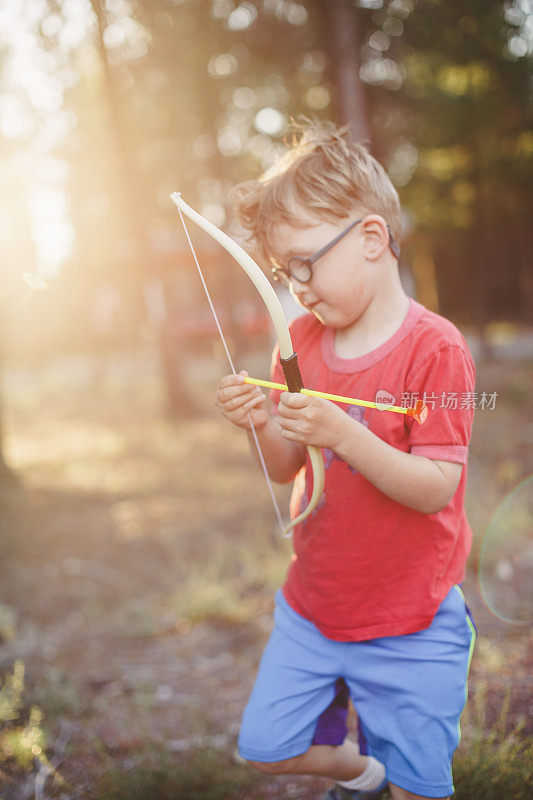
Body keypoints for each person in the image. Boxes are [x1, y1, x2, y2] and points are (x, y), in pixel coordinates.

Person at [215, 119, 477, 800]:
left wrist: (343, 432)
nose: (295, 286)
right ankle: (360, 776)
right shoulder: (297, 341)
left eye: (305, 262)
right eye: (282, 272)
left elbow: (433, 489)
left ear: (369, 239)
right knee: (267, 748)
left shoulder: (436, 350)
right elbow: (286, 469)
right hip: (316, 605)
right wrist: (259, 425)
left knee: (419, 787)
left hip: (409, 621)